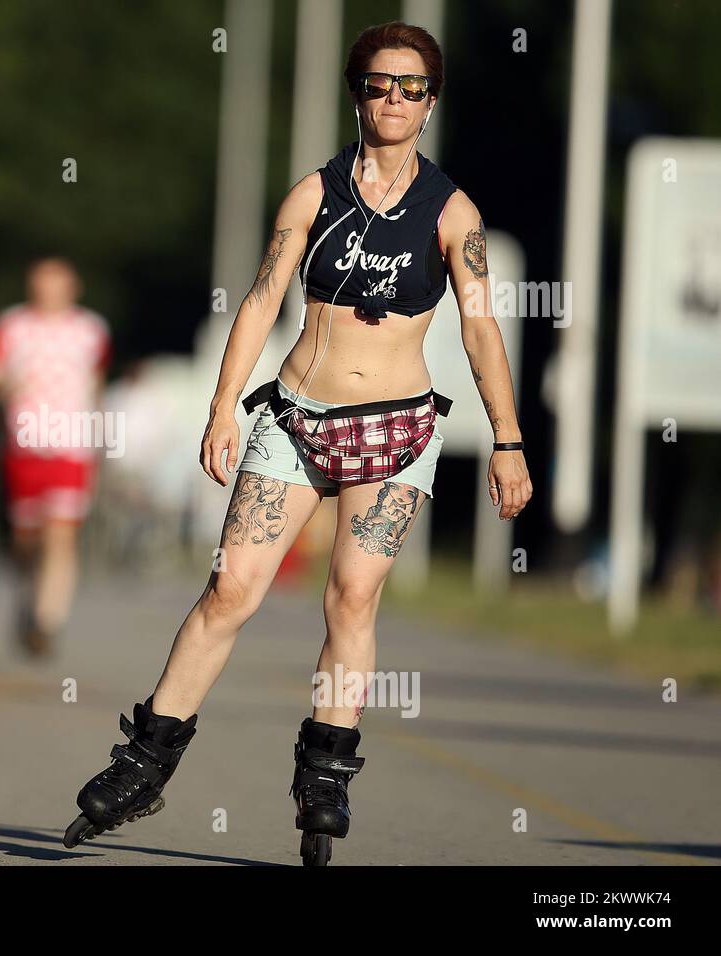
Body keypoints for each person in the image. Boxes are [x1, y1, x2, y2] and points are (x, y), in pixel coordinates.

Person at [62, 22, 533, 865]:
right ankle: (146, 761)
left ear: (432, 102)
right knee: (230, 589)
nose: (395, 100)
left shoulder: (453, 213)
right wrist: (221, 410)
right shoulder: (312, 196)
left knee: (353, 594)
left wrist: (508, 438)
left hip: (394, 432)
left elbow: (482, 330)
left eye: (413, 87)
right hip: (296, 420)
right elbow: (260, 298)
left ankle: (324, 778)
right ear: (357, 92)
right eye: (380, 84)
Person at [0, 257, 111, 657]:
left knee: (61, 534)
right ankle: (27, 597)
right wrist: (3, 381)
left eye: (57, 284)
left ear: (73, 288)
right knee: (26, 540)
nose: (48, 293)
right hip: (24, 444)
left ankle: (46, 621)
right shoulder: (12, 325)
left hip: (72, 445)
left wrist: (99, 438)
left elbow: (96, 384)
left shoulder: (91, 330)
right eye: (41, 284)